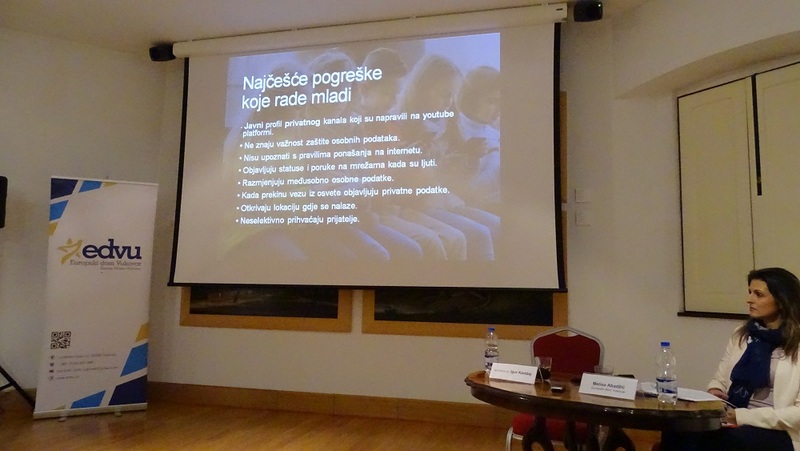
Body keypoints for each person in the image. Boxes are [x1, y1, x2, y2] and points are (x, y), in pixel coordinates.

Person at [661, 267, 800, 451]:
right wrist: (715, 390)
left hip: (781, 431)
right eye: (749, 292)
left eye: (758, 294)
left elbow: (797, 415)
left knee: (723, 442)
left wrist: (741, 416)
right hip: (732, 418)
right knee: (676, 430)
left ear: (782, 301)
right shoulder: (741, 335)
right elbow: (720, 379)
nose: (749, 299)